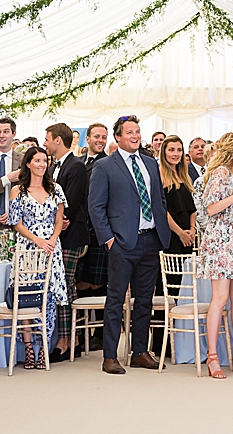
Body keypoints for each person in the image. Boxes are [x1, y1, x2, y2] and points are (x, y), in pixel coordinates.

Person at [88, 115, 171, 375]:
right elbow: (96, 207)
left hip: (151, 239)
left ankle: (139, 352)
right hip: (122, 243)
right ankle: (110, 356)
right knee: (115, 300)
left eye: (138, 131)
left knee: (144, 300)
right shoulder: (105, 166)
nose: (135, 136)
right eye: (130, 132)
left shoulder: (150, 163)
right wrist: (110, 240)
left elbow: (158, 199)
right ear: (118, 137)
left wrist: (161, 231)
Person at [197, 133, 233, 378]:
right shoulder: (220, 172)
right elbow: (211, 208)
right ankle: (212, 356)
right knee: (220, 299)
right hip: (222, 243)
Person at [4, 147, 69, 369]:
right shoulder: (17, 191)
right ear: (28, 164)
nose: (42, 164)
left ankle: (44, 349)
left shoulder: (56, 189)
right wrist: (37, 240)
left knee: (48, 298)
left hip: (51, 248)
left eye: (45, 160)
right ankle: (29, 347)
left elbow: (59, 220)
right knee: (26, 297)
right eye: (37, 160)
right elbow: (15, 222)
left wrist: (51, 240)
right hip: (27, 248)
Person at [41, 123, 90, 362]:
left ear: (58, 140)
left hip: (71, 234)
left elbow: (70, 199)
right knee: (60, 285)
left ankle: (66, 341)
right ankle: (70, 339)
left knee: (65, 285)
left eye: (47, 139)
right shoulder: (52, 166)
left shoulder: (77, 166)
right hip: (56, 232)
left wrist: (61, 219)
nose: (45, 143)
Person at [75, 123, 109, 312]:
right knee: (80, 282)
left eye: (103, 137)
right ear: (87, 139)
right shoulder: (78, 162)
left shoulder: (109, 163)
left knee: (98, 282)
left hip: (98, 230)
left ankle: (99, 335)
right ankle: (82, 335)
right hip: (80, 228)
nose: (100, 140)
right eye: (96, 136)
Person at [158, 135, 196, 298]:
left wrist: (192, 229)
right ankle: (165, 320)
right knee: (171, 282)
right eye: (171, 150)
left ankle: (182, 322)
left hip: (188, 237)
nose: (176, 154)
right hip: (170, 237)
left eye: (179, 150)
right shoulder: (159, 174)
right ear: (163, 152)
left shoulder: (185, 175)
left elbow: (192, 209)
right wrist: (180, 232)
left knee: (185, 282)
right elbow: (161, 210)